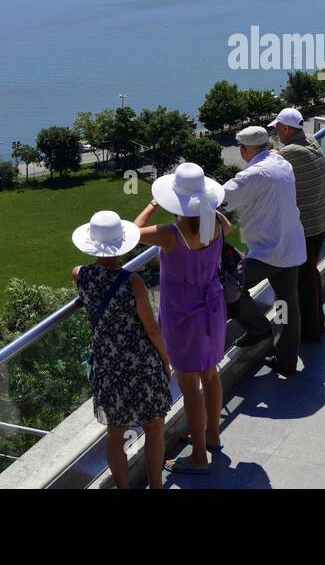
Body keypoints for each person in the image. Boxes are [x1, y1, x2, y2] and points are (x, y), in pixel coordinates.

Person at [135, 163, 231, 476]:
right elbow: (228, 228)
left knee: (189, 387)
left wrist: (151, 205)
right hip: (212, 308)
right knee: (211, 376)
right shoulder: (217, 222)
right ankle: (212, 435)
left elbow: (132, 233)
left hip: (183, 317)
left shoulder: (170, 235)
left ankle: (199, 456)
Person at [72, 210, 173, 489]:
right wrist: (165, 362)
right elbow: (151, 329)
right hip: (141, 362)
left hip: (108, 364)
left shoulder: (81, 275)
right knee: (154, 427)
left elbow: (79, 273)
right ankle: (156, 485)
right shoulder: (133, 282)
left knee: (115, 434)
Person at [221, 125, 307, 376]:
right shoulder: (282, 164)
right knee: (286, 305)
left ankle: (258, 328)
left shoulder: (251, 175)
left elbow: (220, 199)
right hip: (291, 247)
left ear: (244, 149)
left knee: (228, 287)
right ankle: (286, 361)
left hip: (267, 253)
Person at [269, 107, 325, 341]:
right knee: (310, 275)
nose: (276, 133)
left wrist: (275, 154)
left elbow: (269, 166)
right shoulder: (311, 141)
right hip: (320, 221)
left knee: (302, 281)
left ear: (285, 128)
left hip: (305, 228)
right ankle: (316, 324)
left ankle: (310, 331)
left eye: (277, 128)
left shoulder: (288, 153)